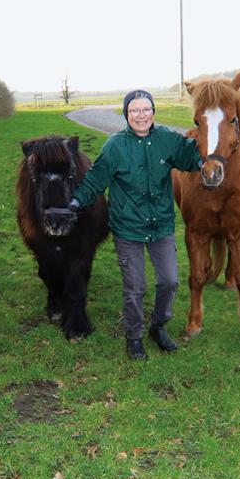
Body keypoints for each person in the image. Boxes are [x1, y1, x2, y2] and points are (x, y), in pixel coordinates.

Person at [68, 90, 202, 360]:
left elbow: (193, 156)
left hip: (160, 226)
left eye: (146, 110)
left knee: (169, 281)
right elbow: (95, 180)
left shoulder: (168, 140)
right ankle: (134, 337)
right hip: (128, 228)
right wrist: (73, 203)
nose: (141, 116)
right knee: (136, 287)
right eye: (134, 111)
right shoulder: (115, 147)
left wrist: (211, 151)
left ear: (153, 112)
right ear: (126, 114)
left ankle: (158, 326)